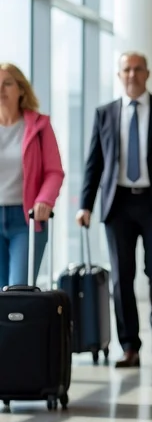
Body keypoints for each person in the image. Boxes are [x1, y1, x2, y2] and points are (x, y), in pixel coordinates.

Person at [77, 52, 152, 369]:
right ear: (119, 75)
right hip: (117, 205)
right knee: (121, 277)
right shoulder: (105, 113)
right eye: (126, 69)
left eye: (138, 69)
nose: (132, 74)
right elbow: (94, 162)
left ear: (148, 73)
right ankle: (130, 345)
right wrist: (85, 205)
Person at [0, 64, 64, 288]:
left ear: (21, 90)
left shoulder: (39, 126)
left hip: (25, 219)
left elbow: (54, 171)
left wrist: (44, 200)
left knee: (18, 290)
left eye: (7, 83)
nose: (1, 89)